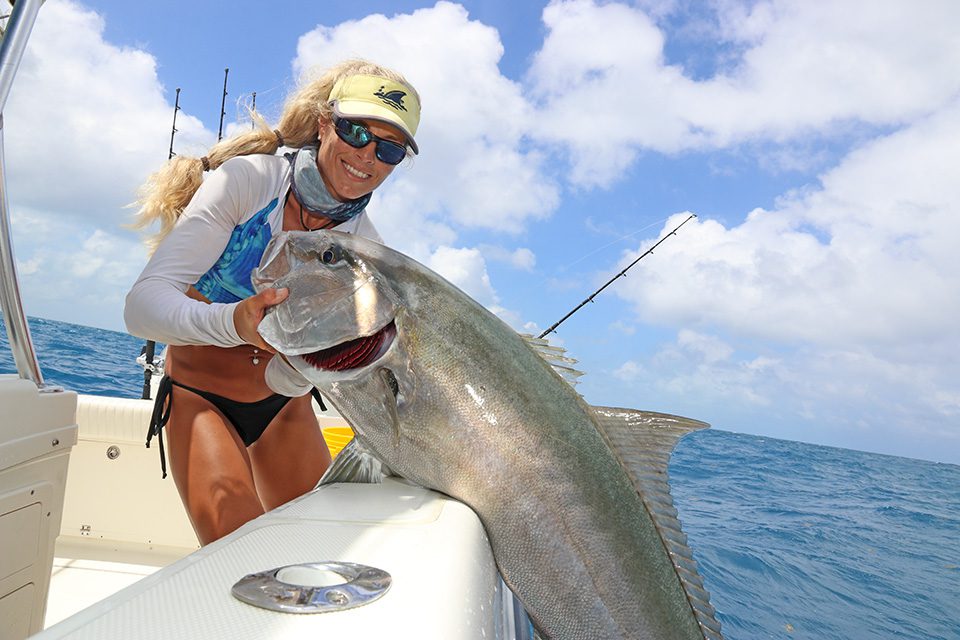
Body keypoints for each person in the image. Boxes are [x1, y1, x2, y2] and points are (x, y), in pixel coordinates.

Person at [124, 59, 421, 545]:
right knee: (240, 557)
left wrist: (300, 372)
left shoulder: (367, 248)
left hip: (283, 408)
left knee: (320, 553)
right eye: (356, 132)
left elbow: (333, 361)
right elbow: (142, 307)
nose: (368, 156)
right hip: (202, 399)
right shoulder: (249, 182)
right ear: (325, 124)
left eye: (389, 148)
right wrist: (233, 323)